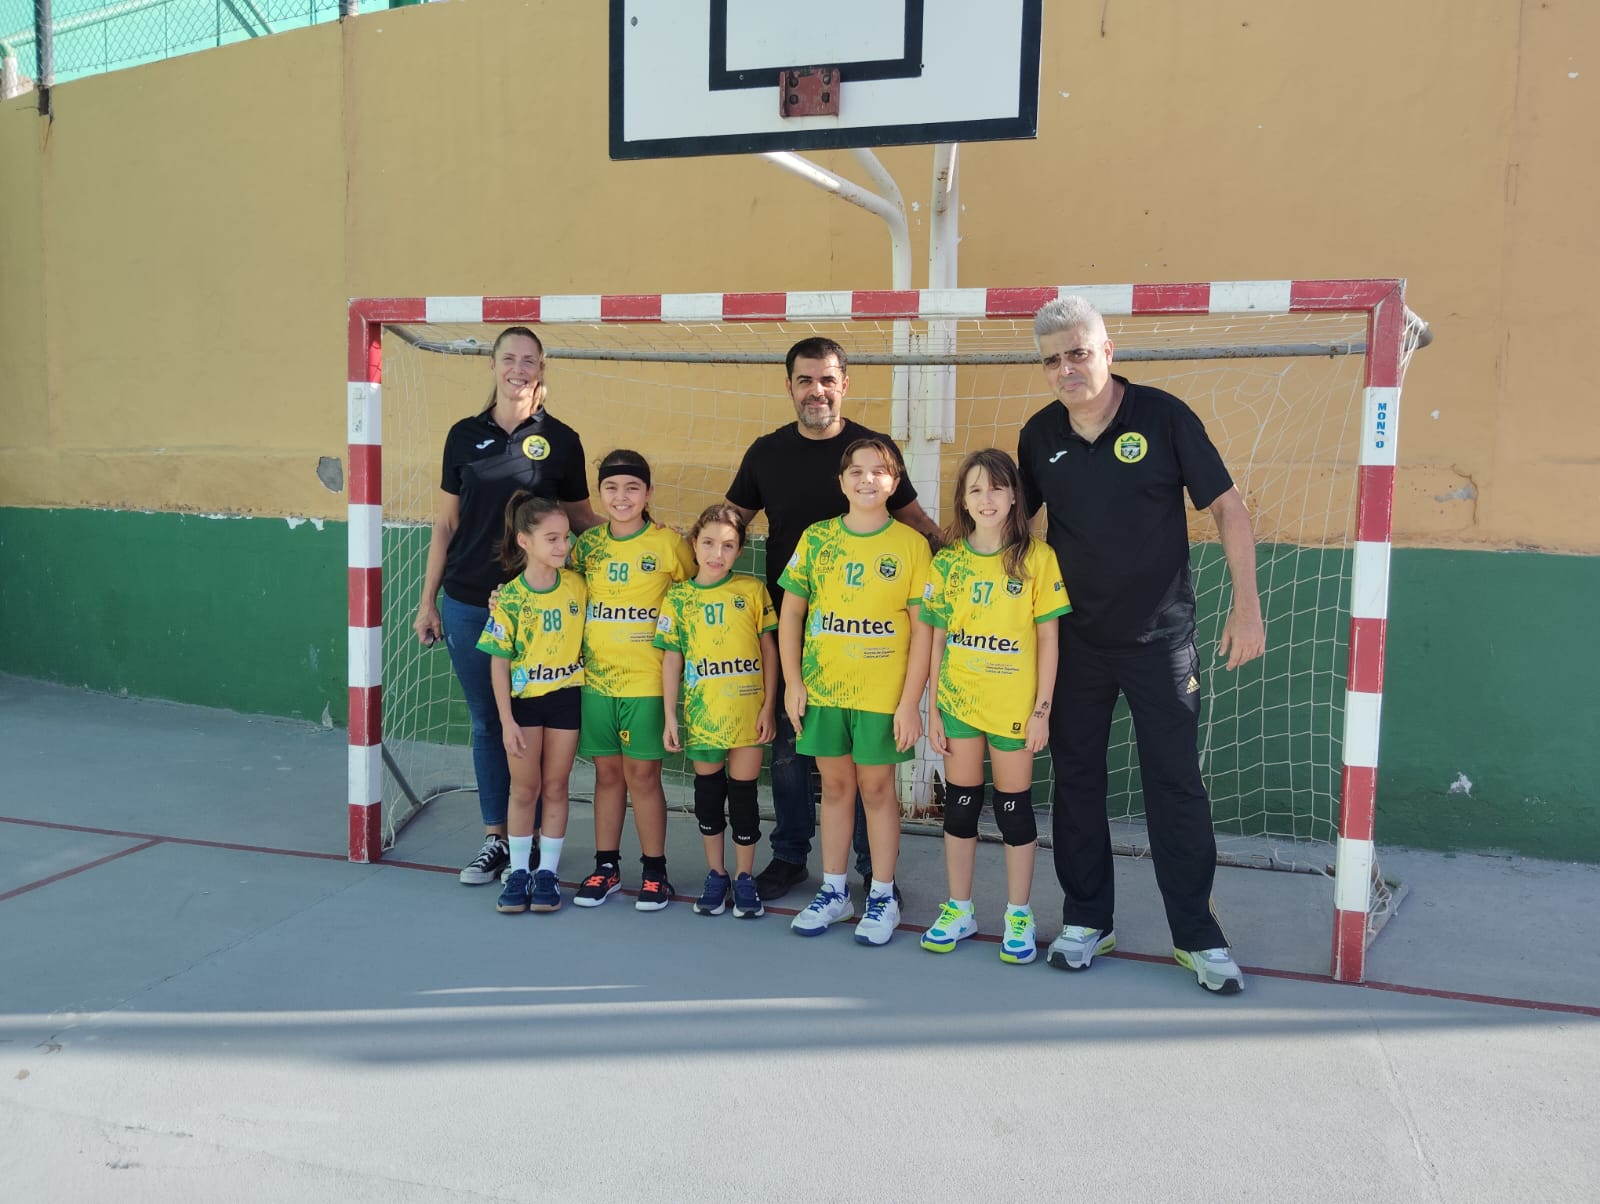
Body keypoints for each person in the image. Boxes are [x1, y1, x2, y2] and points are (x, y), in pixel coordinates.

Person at [1017, 296, 1266, 995]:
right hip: (1074, 644)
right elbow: (1019, 534)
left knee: (1176, 787)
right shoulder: (1038, 436)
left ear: (1107, 350)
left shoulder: (1164, 417)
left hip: (1162, 642)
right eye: (1053, 360)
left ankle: (1197, 935)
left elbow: (1227, 507)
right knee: (1076, 783)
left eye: (1078, 352)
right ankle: (1087, 919)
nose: (1068, 368)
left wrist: (1247, 610)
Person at [725, 337, 940, 902]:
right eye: (804, 380)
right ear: (789, 386)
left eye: (827, 379)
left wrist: (965, 560)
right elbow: (731, 521)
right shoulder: (766, 452)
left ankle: (874, 870)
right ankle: (792, 854)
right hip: (794, 634)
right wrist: (678, 570)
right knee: (792, 751)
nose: (816, 390)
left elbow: (915, 520)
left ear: (844, 384)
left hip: (870, 648)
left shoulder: (873, 451)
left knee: (866, 772)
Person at [413, 326, 600, 886]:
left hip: (543, 610)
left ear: (542, 368)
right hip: (470, 601)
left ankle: (539, 842)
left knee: (540, 720)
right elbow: (446, 522)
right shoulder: (462, 435)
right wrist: (429, 601)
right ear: (493, 366)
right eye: (508, 359)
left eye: (529, 360)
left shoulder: (562, 440)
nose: (518, 368)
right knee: (490, 722)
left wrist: (644, 540)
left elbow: (582, 521)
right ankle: (497, 837)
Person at [778, 438, 932, 946]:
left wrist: (910, 702)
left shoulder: (910, 545)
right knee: (837, 789)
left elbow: (922, 630)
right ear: (842, 481)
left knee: (878, 789)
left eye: (879, 471)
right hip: (825, 688)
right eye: (857, 471)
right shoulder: (818, 538)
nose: (868, 479)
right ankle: (835, 889)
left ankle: (882, 893)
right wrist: (794, 682)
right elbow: (792, 613)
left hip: (882, 696)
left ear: (894, 481)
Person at [919, 449, 1069, 966]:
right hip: (958, 703)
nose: (987, 499)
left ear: (1014, 495)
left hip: (1013, 707)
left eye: (997, 488)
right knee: (960, 807)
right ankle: (959, 908)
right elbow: (936, 638)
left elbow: (1048, 640)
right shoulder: (949, 561)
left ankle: (1018, 914)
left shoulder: (1038, 558)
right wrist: (933, 709)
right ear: (963, 498)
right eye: (976, 489)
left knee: (1013, 811)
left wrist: (1042, 710)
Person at [570, 449, 696, 911]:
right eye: (611, 488)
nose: (621, 497)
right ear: (599, 494)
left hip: (647, 682)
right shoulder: (587, 546)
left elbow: (695, 597)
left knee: (643, 776)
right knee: (606, 775)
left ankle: (655, 872)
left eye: (632, 488)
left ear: (648, 493)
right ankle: (605, 867)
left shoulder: (669, 545)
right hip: (597, 682)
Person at [656, 504, 779, 920]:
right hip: (703, 714)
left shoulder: (751, 591)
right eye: (708, 542)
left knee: (743, 798)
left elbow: (769, 651)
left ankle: (745, 877)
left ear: (741, 550)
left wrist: (768, 705)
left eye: (728, 546)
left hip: (746, 713)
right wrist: (671, 716)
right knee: (709, 798)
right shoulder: (679, 597)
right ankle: (716, 873)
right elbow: (671, 659)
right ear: (694, 543)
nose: (717, 553)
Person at [476, 492, 586, 914]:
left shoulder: (578, 584)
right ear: (524, 541)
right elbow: (499, 663)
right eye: (552, 539)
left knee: (556, 787)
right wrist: (506, 720)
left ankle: (548, 874)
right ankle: (519, 870)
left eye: (566, 539)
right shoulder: (509, 599)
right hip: (523, 707)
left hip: (565, 701)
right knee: (525, 789)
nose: (562, 547)